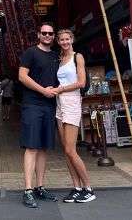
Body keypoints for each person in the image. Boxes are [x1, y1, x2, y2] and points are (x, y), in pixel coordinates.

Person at [17, 22, 60, 208]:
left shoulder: (57, 56)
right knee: (31, 147)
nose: (48, 36)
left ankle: (40, 187)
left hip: (50, 106)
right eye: (44, 33)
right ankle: (27, 189)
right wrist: (43, 90)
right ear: (38, 35)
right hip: (32, 105)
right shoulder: (30, 53)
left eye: (51, 33)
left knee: (43, 147)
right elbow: (22, 76)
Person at [54, 29, 95, 203]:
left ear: (72, 39)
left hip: (71, 102)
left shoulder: (77, 56)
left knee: (71, 149)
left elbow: (81, 82)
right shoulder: (59, 59)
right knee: (66, 151)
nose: (65, 42)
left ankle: (88, 188)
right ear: (58, 42)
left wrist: (62, 89)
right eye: (61, 39)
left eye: (67, 39)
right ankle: (76, 187)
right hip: (59, 104)